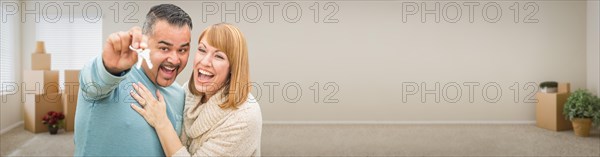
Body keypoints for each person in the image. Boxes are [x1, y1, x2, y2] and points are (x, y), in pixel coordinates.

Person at [74, 4, 192, 156]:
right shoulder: (113, 80)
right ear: (145, 44)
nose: (175, 59)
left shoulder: (180, 94)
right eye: (164, 48)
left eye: (182, 50)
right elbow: (93, 82)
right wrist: (109, 67)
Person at [130, 23, 262, 156]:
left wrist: (161, 123)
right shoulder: (189, 91)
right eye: (202, 50)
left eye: (219, 56)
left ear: (233, 68)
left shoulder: (244, 118)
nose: (204, 62)